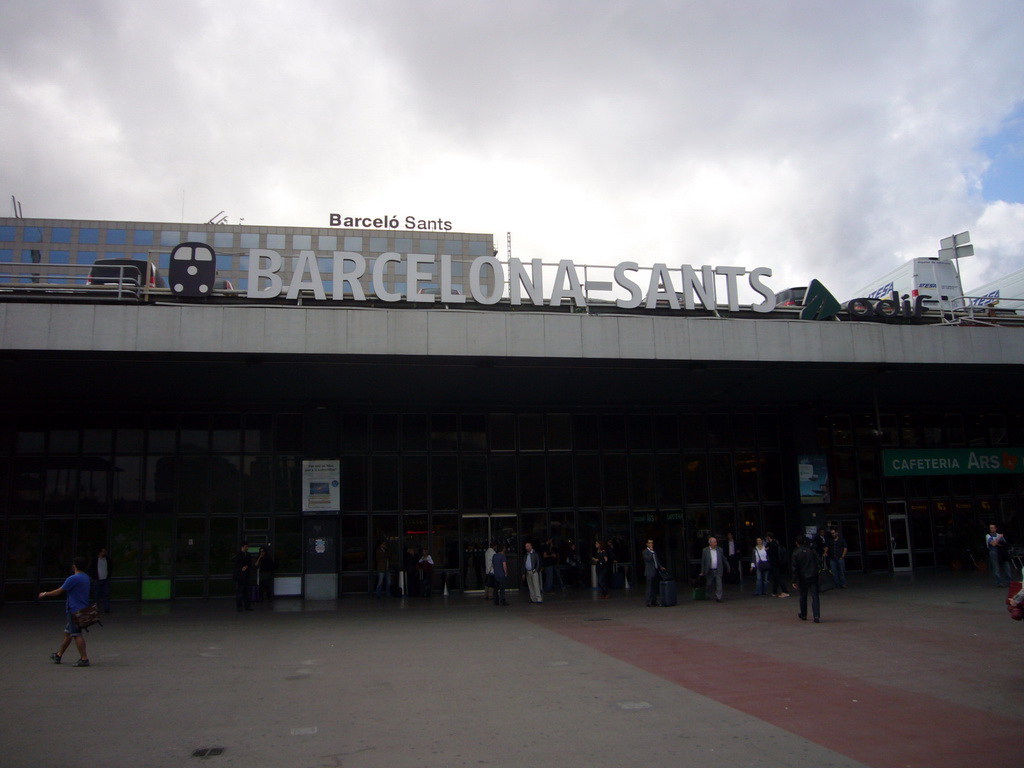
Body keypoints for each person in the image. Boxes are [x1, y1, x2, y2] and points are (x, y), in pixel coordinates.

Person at [39, 555, 92, 666]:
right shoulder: (86, 577)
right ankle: (58, 655)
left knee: (76, 634)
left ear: (75, 566)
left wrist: (45, 594)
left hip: (73, 610)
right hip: (82, 609)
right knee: (68, 633)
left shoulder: (73, 578)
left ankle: (84, 658)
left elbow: (59, 591)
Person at [791, 535, 821, 623]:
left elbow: (794, 568)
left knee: (803, 595)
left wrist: (794, 580)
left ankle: (803, 614)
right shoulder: (811, 550)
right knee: (815, 595)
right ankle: (816, 615)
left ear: (797, 543)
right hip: (813, 575)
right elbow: (819, 560)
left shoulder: (796, 553)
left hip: (803, 577)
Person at [700, 536, 731, 602]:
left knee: (719, 584)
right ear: (710, 543)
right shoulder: (705, 551)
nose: (716, 543)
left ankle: (719, 597)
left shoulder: (720, 550)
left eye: (716, 542)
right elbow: (703, 561)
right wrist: (702, 571)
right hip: (709, 570)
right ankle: (708, 594)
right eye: (714, 542)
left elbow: (724, 559)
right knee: (709, 583)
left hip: (718, 570)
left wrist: (728, 567)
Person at [643, 539, 667, 606]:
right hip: (649, 572)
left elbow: (656, 560)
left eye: (652, 543)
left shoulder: (654, 552)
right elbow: (648, 559)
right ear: (647, 544)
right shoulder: (645, 552)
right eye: (650, 543)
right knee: (649, 587)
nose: (651, 545)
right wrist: (651, 552)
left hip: (655, 571)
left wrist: (660, 566)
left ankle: (654, 600)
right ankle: (648, 601)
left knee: (655, 587)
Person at [765, 532, 790, 598]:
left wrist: (767, 550)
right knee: (775, 577)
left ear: (768, 537)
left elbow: (769, 553)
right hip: (777, 562)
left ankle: (785, 591)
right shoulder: (776, 543)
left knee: (778, 577)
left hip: (774, 563)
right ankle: (774, 591)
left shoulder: (771, 544)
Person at [91, 547, 112, 613]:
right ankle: (97, 609)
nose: (104, 553)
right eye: (103, 551)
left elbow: (110, 568)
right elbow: (92, 568)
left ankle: (106, 608)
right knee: (96, 595)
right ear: (100, 552)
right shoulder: (95, 560)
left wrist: (108, 575)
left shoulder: (107, 560)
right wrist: (94, 576)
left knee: (106, 594)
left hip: (105, 579)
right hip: (97, 579)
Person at [234, 542, 252, 611]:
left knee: (246, 591)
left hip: (246, 576)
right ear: (243, 546)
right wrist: (241, 568)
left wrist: (247, 566)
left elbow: (249, 563)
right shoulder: (238, 555)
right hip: (240, 576)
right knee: (240, 591)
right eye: (246, 546)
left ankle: (247, 606)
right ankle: (239, 606)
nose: (247, 548)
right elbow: (236, 565)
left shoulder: (248, 555)